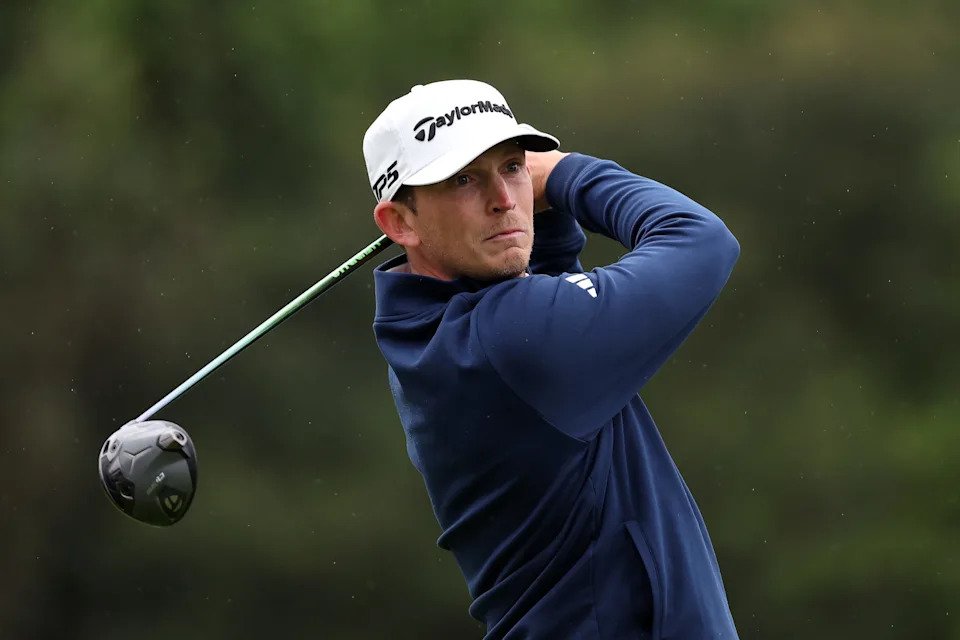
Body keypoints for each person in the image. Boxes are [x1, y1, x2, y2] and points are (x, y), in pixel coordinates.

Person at [363, 79, 741, 639]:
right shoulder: (516, 339)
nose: (503, 198)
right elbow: (700, 241)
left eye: (513, 167)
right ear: (400, 224)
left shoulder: (433, 334)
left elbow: (543, 277)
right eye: (464, 179)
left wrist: (538, 214)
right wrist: (569, 175)